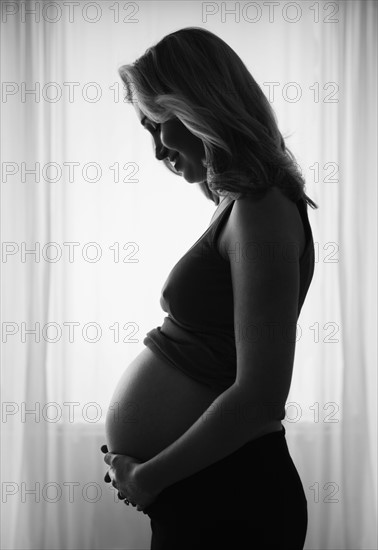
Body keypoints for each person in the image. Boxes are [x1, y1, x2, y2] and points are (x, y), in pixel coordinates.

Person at [102, 27, 318, 549]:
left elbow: (261, 395)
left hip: (233, 497)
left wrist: (148, 477)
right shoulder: (242, 207)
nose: (157, 151)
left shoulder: (261, 208)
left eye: (159, 125)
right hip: (212, 492)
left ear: (199, 106)